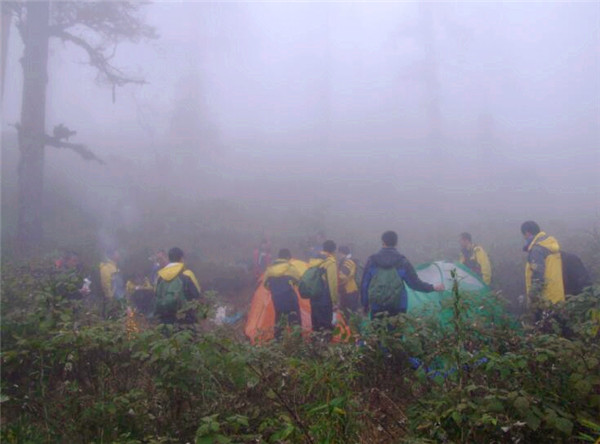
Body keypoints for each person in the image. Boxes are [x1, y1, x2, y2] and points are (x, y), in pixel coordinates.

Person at [361, 231, 444, 319]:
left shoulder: (372, 260)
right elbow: (414, 283)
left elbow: (364, 285)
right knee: (397, 331)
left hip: (376, 307)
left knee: (378, 331)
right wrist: (432, 287)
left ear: (382, 242)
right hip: (398, 307)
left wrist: (365, 305)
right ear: (396, 243)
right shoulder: (402, 261)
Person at [521, 221, 564, 305]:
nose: (524, 238)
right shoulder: (550, 246)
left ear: (527, 233)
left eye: (524, 235)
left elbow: (538, 275)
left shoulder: (537, 250)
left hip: (544, 300)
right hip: (557, 296)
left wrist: (533, 298)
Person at [155, 247, 201, 324]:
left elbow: (156, 294)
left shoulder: (160, 276)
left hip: (165, 320)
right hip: (185, 319)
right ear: (181, 258)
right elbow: (196, 295)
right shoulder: (187, 274)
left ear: (169, 259)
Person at [263, 249, 302, 339]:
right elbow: (298, 281)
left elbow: (265, 284)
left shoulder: (270, 269)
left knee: (279, 319)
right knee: (294, 319)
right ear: (288, 257)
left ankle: (278, 341)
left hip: (277, 299)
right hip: (289, 298)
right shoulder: (290, 268)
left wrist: (274, 290)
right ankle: (297, 341)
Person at [338, 246, 360, 316]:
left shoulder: (348, 262)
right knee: (349, 314)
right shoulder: (348, 261)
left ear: (341, 253)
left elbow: (342, 276)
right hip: (349, 291)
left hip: (349, 291)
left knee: (348, 315)